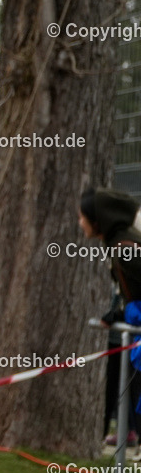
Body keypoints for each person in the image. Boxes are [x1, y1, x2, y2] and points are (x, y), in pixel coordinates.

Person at [78, 188, 141, 452]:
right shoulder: (119, 243)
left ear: (97, 219)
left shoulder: (126, 247)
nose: (79, 223)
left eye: (82, 217)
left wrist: (127, 312)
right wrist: (117, 313)